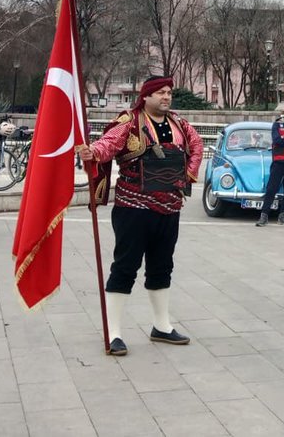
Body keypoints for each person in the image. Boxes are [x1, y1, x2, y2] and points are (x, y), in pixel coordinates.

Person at [77, 75, 204, 356]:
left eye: (169, 92)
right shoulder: (129, 122)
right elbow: (108, 145)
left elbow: (197, 145)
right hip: (133, 208)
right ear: (145, 96)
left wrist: (188, 174)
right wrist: (92, 152)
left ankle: (162, 326)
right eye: (160, 92)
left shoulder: (180, 123)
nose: (166, 97)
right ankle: (114, 333)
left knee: (162, 267)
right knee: (125, 267)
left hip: (170, 208)